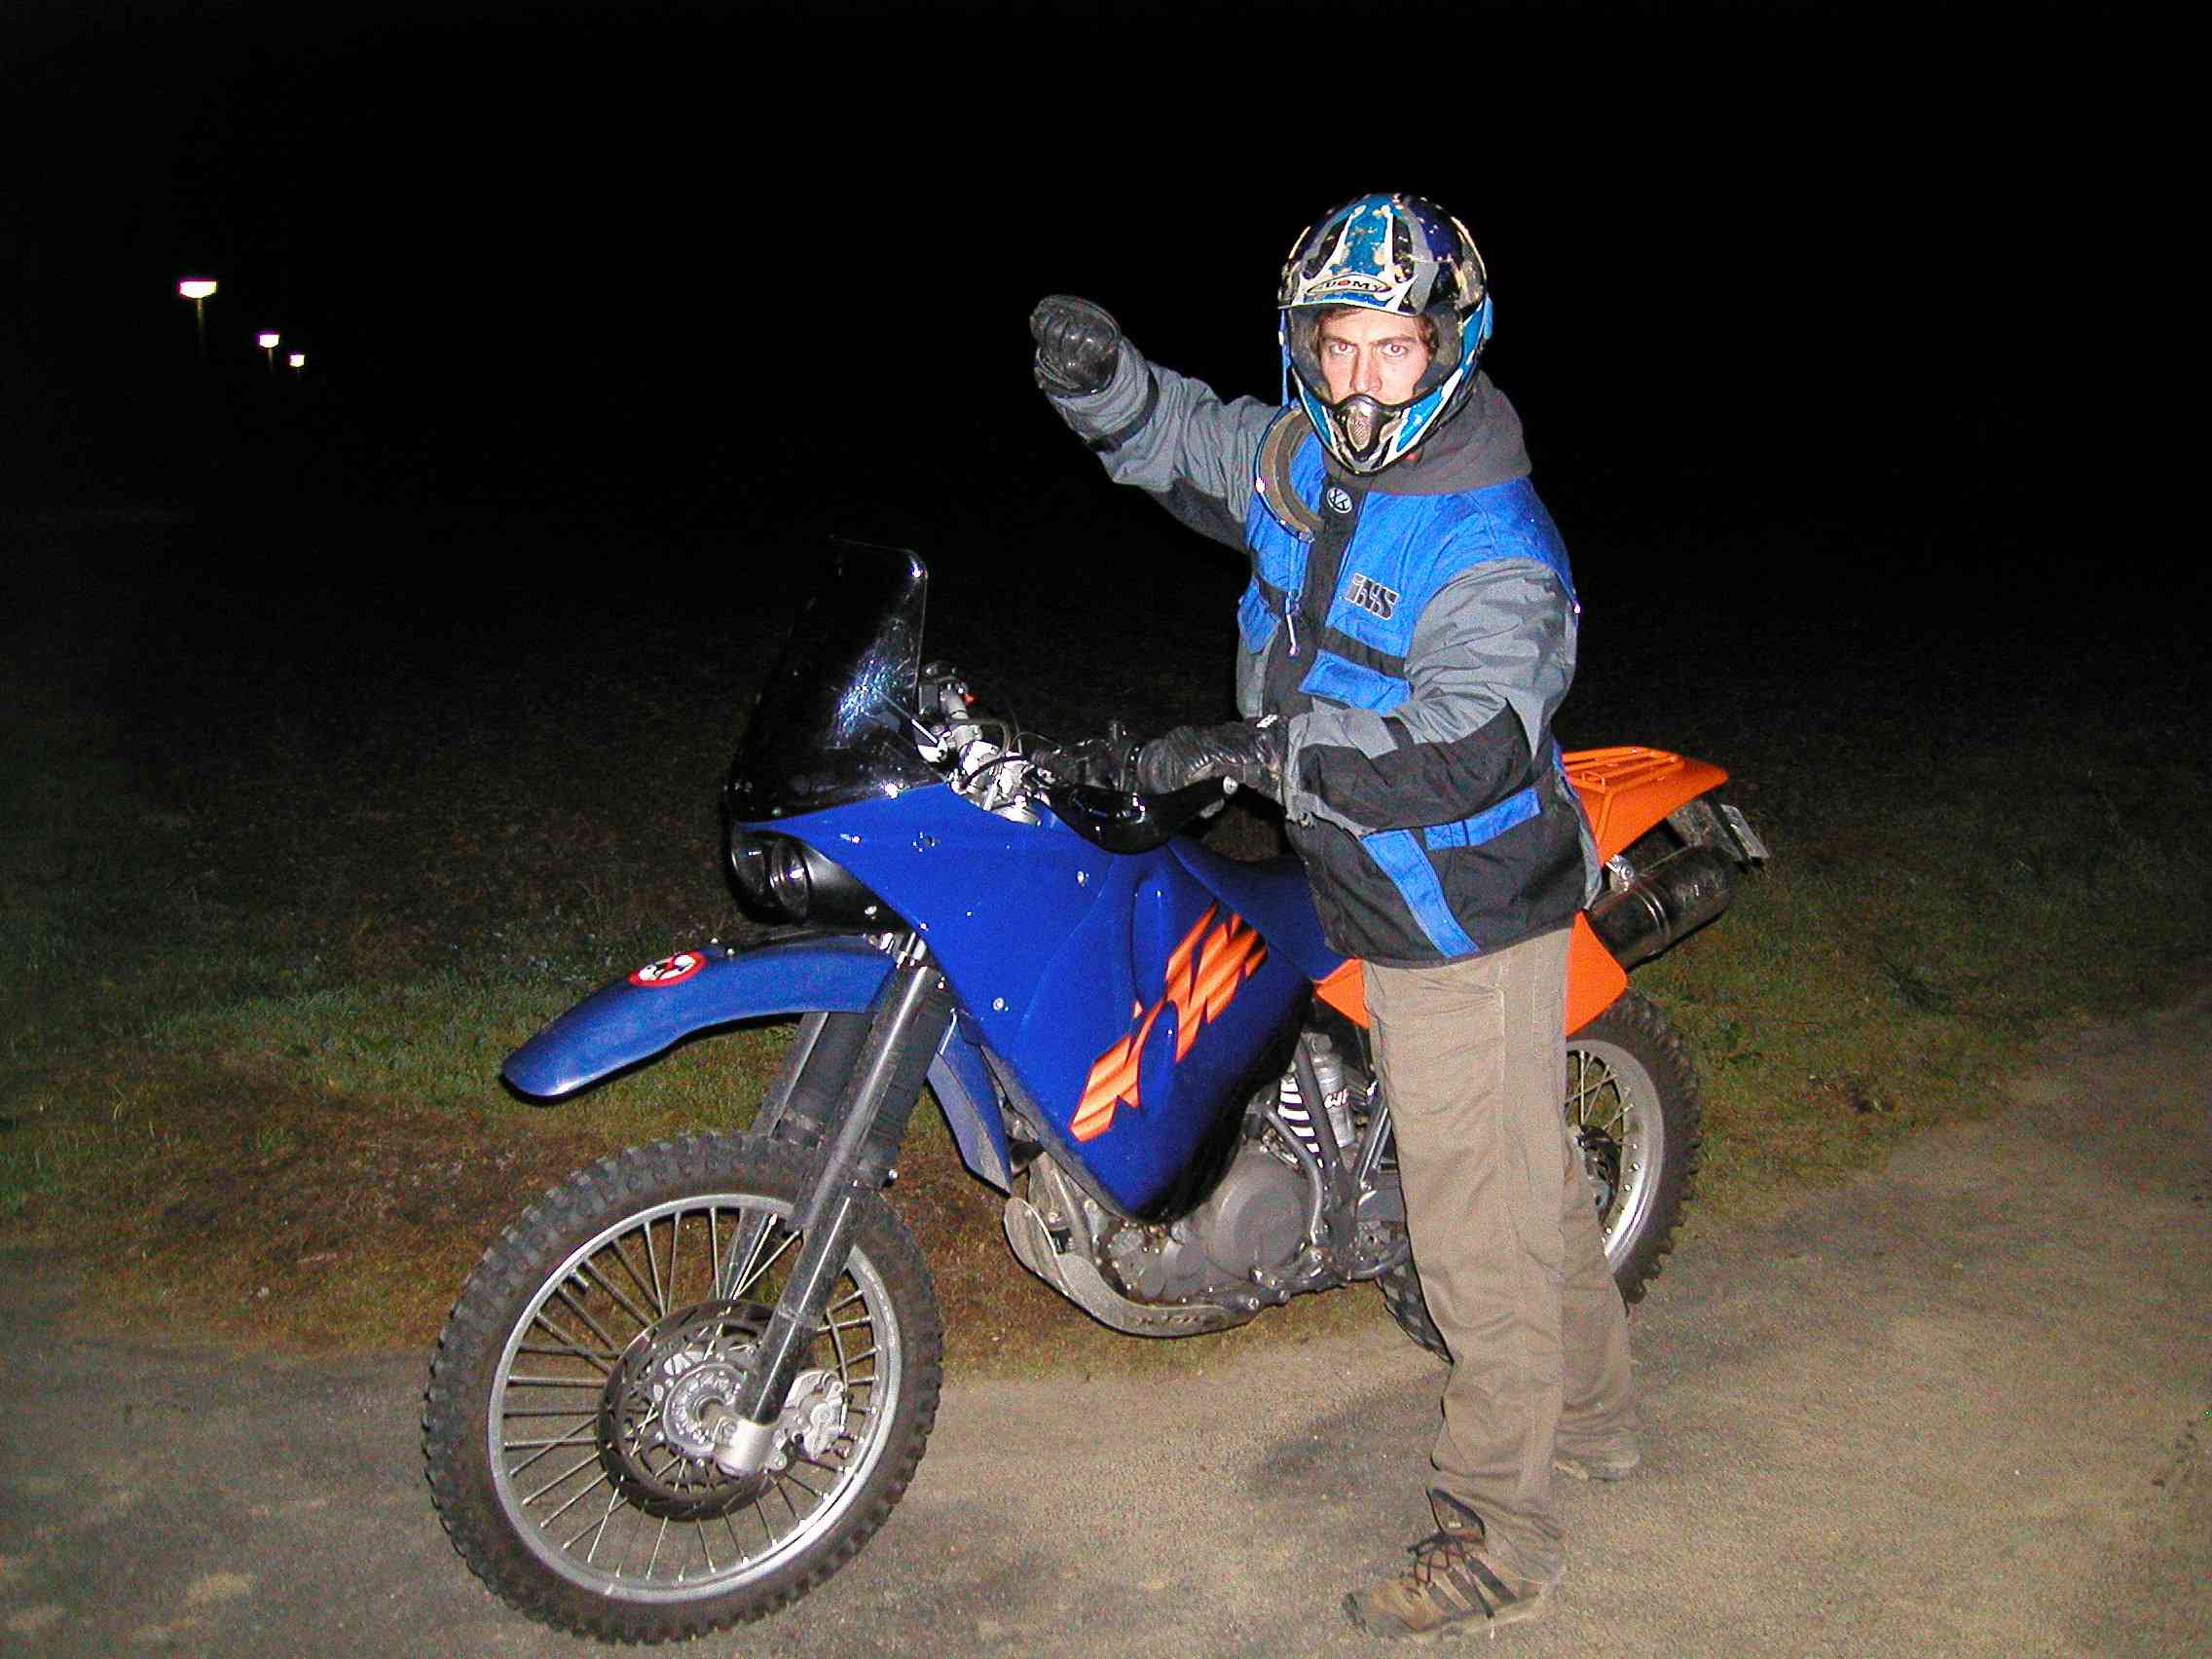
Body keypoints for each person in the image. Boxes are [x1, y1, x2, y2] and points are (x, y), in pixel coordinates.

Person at [1030, 192, 1636, 1640]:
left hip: (1461, 910)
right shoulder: (1312, 455)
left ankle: (1501, 1539)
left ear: (1452, 347)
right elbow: (1199, 446)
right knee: (1529, 1178)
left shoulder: (1492, 539)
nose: (1361, 382)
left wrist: (1258, 754)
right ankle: (1600, 1420)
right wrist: (1105, 386)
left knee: (1473, 1231)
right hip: (1361, 869)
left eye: (1393, 348)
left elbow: (1468, 741)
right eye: (1335, 346)